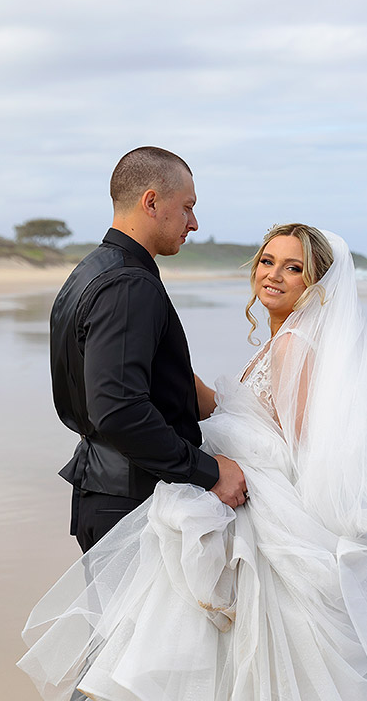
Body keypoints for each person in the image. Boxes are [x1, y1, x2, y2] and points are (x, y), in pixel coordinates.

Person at [20, 224, 367, 700]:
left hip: (263, 506)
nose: (275, 276)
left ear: (317, 285)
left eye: (294, 268)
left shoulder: (293, 347)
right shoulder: (277, 342)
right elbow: (228, 405)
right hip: (235, 490)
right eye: (268, 262)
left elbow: (299, 447)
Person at [49, 146, 247, 553]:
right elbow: (118, 408)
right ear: (152, 202)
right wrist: (209, 472)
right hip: (130, 505)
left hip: (107, 491)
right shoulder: (129, 284)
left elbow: (141, 381)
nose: (193, 223)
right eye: (187, 207)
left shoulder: (90, 270)